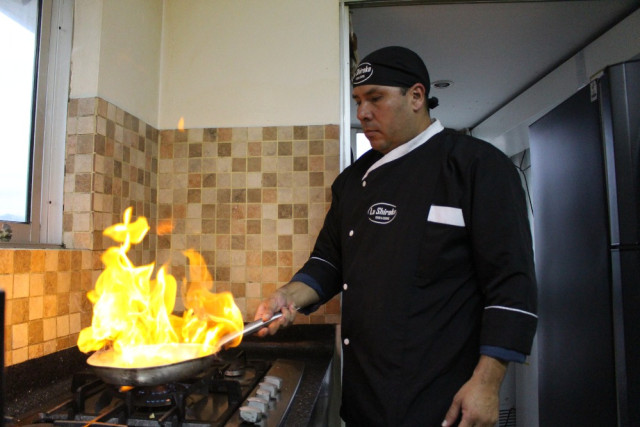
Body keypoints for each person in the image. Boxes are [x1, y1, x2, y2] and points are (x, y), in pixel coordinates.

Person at [254, 46, 537, 427]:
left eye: (375, 98)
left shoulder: (477, 167)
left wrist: (486, 384)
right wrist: (287, 296)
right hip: (364, 399)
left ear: (416, 96)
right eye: (357, 101)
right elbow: (328, 262)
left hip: (443, 403)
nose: (362, 113)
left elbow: (512, 284)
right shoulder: (353, 182)